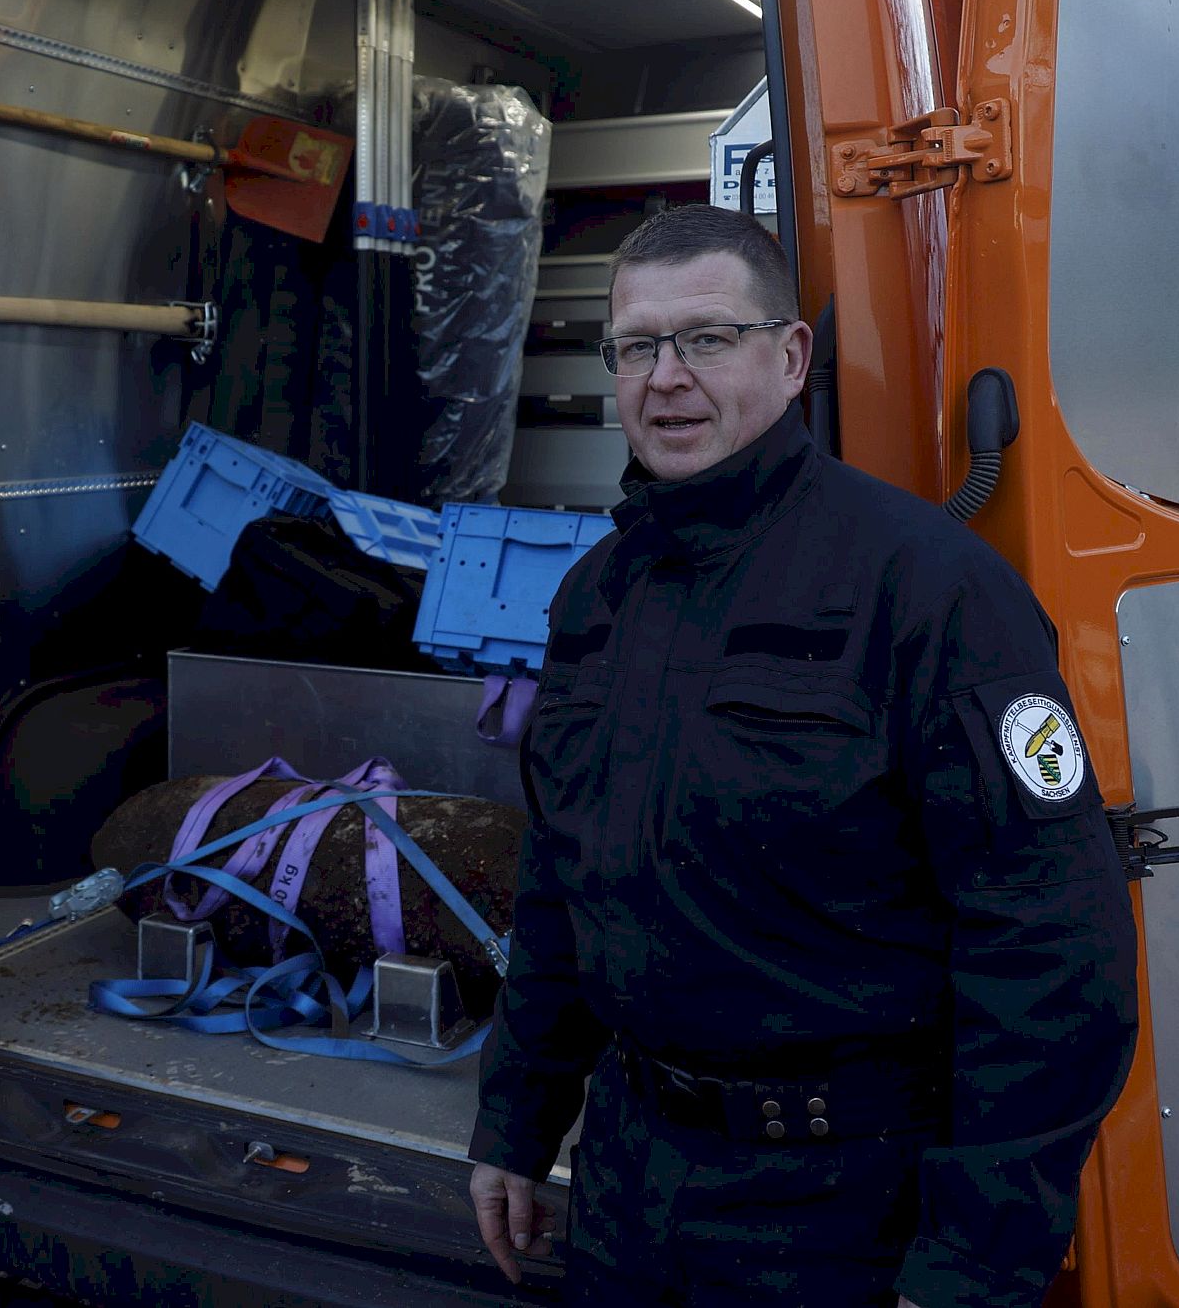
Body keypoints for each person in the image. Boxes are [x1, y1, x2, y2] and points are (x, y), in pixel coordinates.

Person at [466, 205, 1138, 1308]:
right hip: (632, 1186)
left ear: (789, 360)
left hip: (843, 1213)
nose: (666, 378)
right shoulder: (599, 596)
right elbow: (562, 886)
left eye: (708, 338)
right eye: (637, 346)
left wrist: (972, 1263)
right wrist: (517, 1120)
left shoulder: (927, 588)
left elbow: (1053, 951)